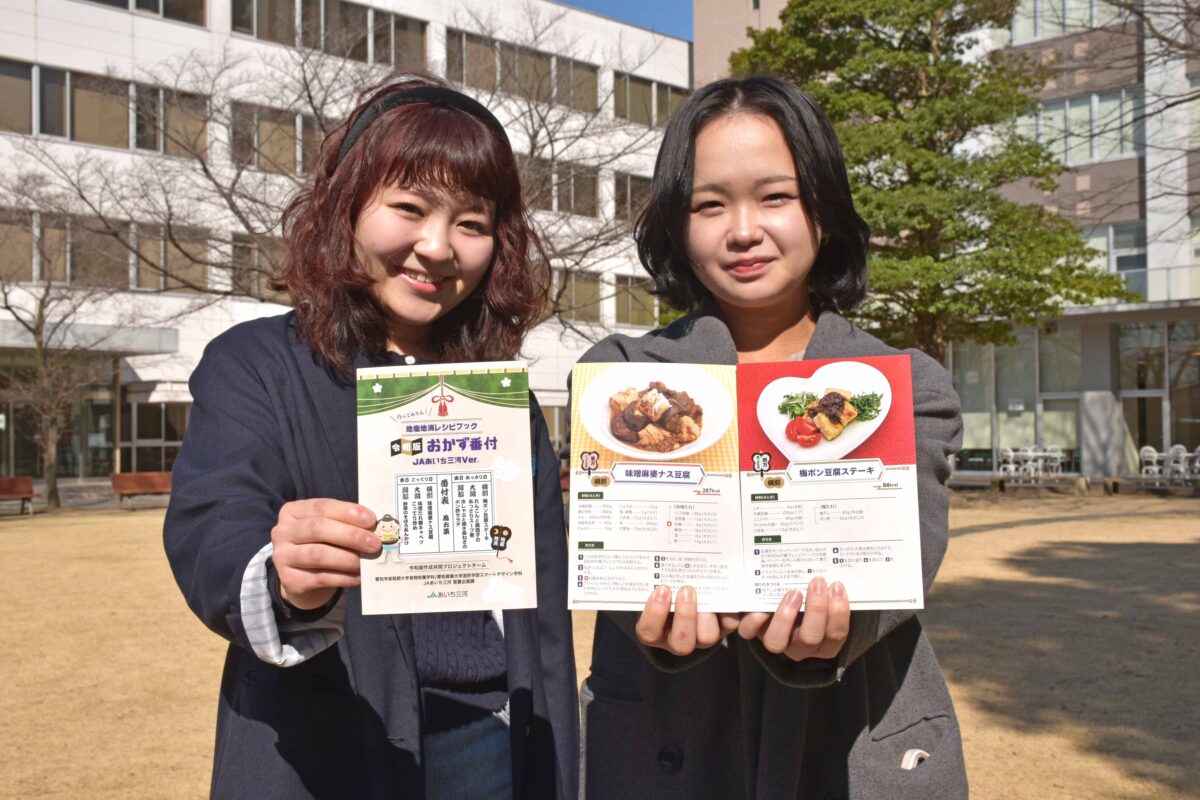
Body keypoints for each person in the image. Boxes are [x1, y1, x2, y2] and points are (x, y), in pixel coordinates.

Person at [163, 74, 577, 800]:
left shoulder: (497, 393)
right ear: (346, 206)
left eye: (472, 223)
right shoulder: (254, 364)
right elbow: (212, 527)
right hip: (330, 747)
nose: (437, 247)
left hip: (499, 740)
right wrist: (283, 575)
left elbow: (541, 612)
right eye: (409, 208)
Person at [575, 76, 968, 799]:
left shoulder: (902, 385)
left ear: (824, 205)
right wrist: (645, 615)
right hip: (662, 743)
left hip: (855, 745)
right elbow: (611, 543)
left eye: (775, 196)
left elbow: (906, 554)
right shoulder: (619, 381)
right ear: (677, 222)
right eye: (709, 204)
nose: (743, 230)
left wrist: (840, 627)